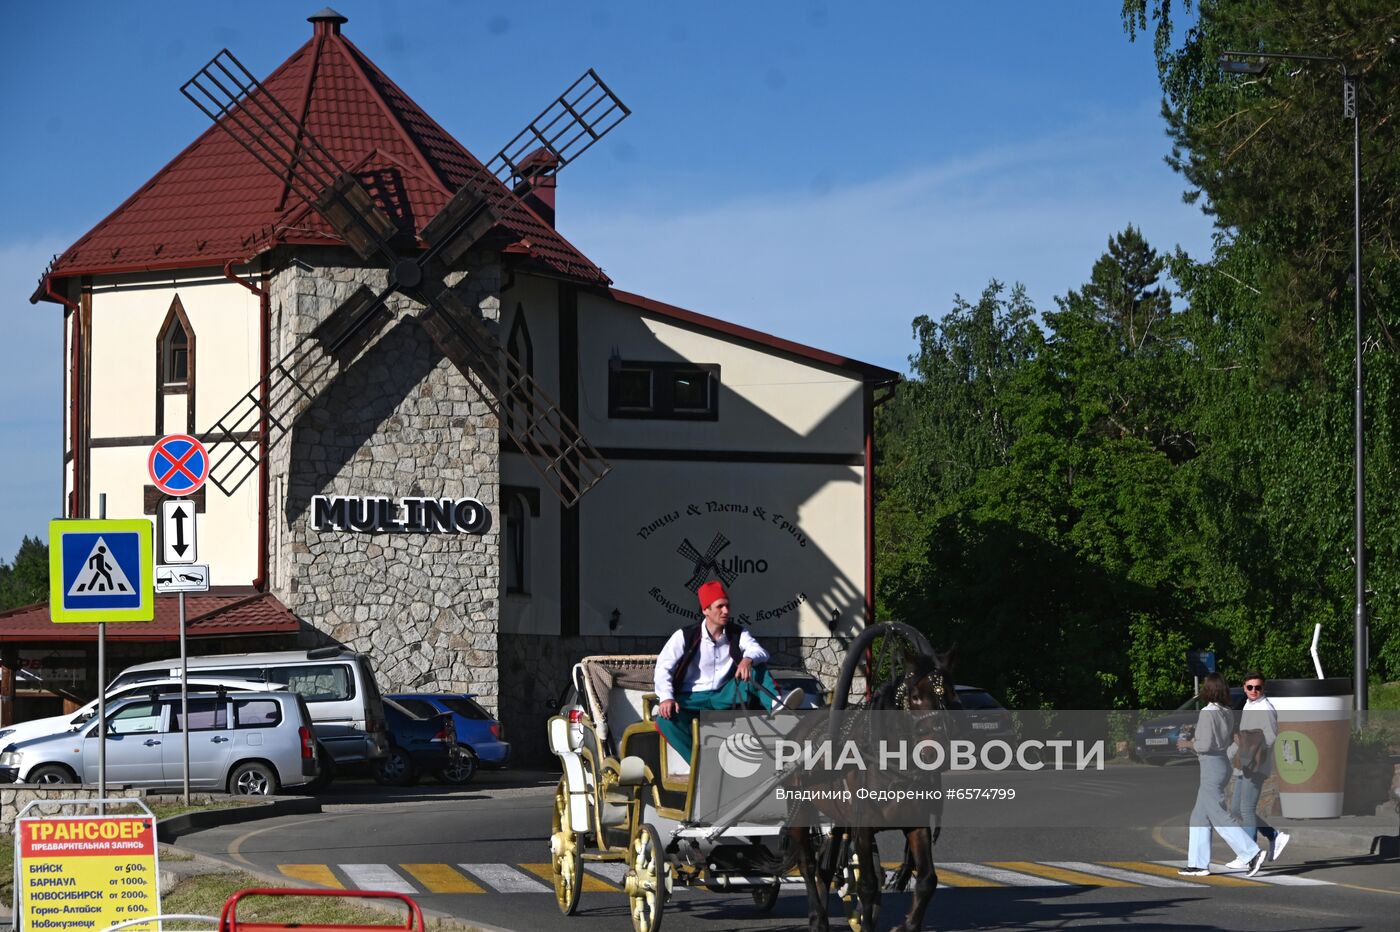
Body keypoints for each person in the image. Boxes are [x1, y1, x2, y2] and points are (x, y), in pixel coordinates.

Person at [653, 580, 777, 763]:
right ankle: (701, 764)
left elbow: (760, 651)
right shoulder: (684, 636)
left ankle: (778, 709)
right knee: (664, 721)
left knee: (757, 665)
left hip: (723, 695)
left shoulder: (738, 633)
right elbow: (663, 667)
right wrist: (667, 697)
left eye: (727, 606)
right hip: (691, 699)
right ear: (706, 610)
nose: (726, 611)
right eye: (720, 606)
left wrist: (747, 659)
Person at [1176, 673, 1267, 877]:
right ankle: (1198, 865)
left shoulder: (1207, 712)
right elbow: (1219, 737)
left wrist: (1187, 743)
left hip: (1210, 767)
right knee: (1199, 816)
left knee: (1218, 815)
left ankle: (1251, 853)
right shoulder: (1226, 711)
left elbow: (1205, 745)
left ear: (1208, 690)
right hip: (1222, 764)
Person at [1227, 672, 1290, 866]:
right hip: (1244, 763)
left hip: (1256, 764)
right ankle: (1273, 835)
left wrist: (1250, 741)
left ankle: (1250, 855)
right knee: (1237, 809)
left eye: (1258, 687)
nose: (1254, 691)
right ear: (1244, 687)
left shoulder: (1265, 708)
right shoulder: (1249, 705)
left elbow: (1271, 737)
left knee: (1246, 809)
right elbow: (1246, 736)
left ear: (1264, 689)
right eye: (1250, 687)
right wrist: (1235, 747)